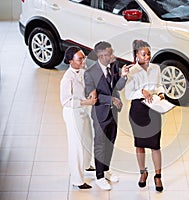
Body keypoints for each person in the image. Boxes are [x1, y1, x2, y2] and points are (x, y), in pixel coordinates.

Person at [84, 41, 131, 190]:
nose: (113, 55)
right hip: (100, 114)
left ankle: (106, 170)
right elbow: (90, 96)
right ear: (102, 56)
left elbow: (117, 87)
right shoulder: (90, 73)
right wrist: (110, 99)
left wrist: (123, 77)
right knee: (100, 144)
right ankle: (99, 176)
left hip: (113, 113)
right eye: (110, 53)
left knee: (110, 142)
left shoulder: (114, 66)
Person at [125, 39, 164, 192]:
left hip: (154, 109)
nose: (147, 57)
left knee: (155, 145)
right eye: (144, 54)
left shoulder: (156, 68)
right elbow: (128, 94)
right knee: (140, 145)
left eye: (149, 53)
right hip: (138, 111)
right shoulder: (131, 72)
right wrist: (141, 91)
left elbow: (160, 85)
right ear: (136, 56)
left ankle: (158, 176)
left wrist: (160, 93)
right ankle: (143, 173)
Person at [60, 46, 97, 190]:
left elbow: (89, 85)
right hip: (72, 112)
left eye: (83, 57)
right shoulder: (67, 79)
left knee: (88, 138)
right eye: (80, 59)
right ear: (71, 61)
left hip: (83, 111)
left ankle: (87, 165)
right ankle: (77, 179)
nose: (83, 60)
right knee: (76, 145)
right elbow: (66, 101)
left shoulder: (83, 71)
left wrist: (92, 91)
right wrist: (86, 102)